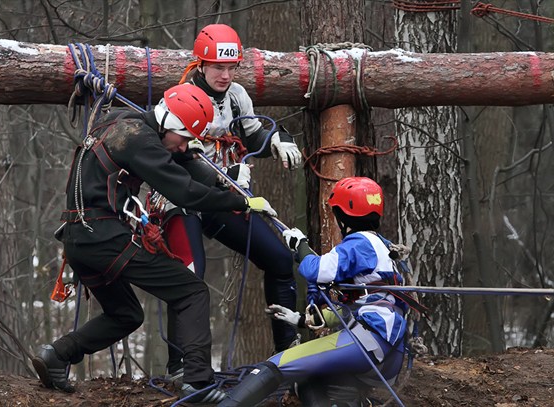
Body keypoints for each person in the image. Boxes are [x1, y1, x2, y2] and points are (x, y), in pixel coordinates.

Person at [31, 83, 278, 404]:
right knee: (191, 291)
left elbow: (177, 159)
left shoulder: (121, 119)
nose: (184, 145)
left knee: (126, 315)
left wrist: (202, 163)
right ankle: (198, 383)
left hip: (79, 239)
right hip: (104, 237)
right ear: (169, 126)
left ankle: (57, 354)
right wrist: (240, 202)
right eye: (185, 137)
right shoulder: (142, 142)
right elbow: (184, 192)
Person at [160, 23, 303, 379]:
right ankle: (183, 368)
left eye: (231, 67)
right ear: (201, 65)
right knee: (191, 277)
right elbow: (183, 157)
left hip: (223, 199)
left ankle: (288, 356)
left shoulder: (237, 94)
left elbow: (254, 128)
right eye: (217, 67)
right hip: (183, 198)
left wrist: (277, 140)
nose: (225, 75)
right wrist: (229, 181)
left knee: (280, 258)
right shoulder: (181, 97)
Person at [218, 177, 413, 407]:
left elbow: (316, 270)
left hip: (368, 341)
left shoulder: (358, 243)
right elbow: (355, 306)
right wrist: (301, 319)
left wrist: (300, 245)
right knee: (308, 377)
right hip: (390, 352)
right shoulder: (385, 248)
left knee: (276, 364)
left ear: (342, 215)